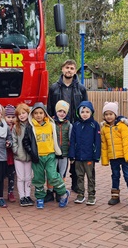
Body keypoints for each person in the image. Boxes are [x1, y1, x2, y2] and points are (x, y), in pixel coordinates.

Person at [47, 59, 88, 195]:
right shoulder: (54, 88)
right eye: (67, 68)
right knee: (59, 155)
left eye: (71, 68)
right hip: (58, 127)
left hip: (75, 126)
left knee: (75, 156)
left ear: (75, 71)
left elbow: (85, 107)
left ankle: (76, 183)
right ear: (62, 69)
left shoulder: (80, 88)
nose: (69, 70)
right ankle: (57, 184)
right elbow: (49, 107)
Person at [22, 102, 70, 209]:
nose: (38, 115)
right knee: (38, 178)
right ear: (32, 115)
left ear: (45, 114)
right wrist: (32, 152)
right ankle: (40, 198)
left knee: (52, 176)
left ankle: (63, 193)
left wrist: (59, 151)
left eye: (41, 113)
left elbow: (57, 139)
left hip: (50, 155)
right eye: (36, 113)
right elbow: (25, 142)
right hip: (37, 157)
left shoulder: (51, 125)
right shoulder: (30, 127)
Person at [100, 102, 128, 209]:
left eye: (111, 114)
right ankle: (115, 196)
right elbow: (104, 145)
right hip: (113, 157)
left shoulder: (122, 126)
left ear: (115, 114)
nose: (108, 116)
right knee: (115, 176)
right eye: (106, 114)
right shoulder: (104, 128)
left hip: (124, 157)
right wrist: (105, 160)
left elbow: (127, 142)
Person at [69, 101, 101, 205]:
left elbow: (97, 141)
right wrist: (72, 155)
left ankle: (91, 195)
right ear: (79, 113)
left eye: (87, 111)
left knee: (90, 176)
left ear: (91, 112)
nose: (85, 114)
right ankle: (80, 194)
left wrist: (96, 155)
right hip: (78, 156)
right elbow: (72, 140)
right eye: (82, 111)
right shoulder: (76, 125)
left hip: (89, 156)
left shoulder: (94, 125)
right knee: (79, 176)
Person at [11, 103, 33, 207]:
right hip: (19, 157)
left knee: (28, 177)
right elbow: (14, 140)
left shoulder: (32, 125)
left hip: (29, 157)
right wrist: (15, 150)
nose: (22, 116)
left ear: (28, 113)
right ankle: (22, 196)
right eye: (19, 114)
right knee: (20, 178)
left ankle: (28, 195)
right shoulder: (16, 127)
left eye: (23, 113)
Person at [54, 100, 72, 198]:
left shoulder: (69, 125)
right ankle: (53, 189)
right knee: (54, 173)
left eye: (64, 112)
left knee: (62, 173)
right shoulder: (52, 123)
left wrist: (71, 153)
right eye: (60, 111)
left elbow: (70, 139)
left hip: (64, 154)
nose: (62, 113)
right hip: (54, 153)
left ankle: (60, 192)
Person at [4, 105, 17, 203]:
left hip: (12, 155)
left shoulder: (16, 128)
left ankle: (10, 192)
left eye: (13, 117)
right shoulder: (1, 126)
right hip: (2, 155)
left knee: (11, 175)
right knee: (0, 175)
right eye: (8, 117)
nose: (11, 119)